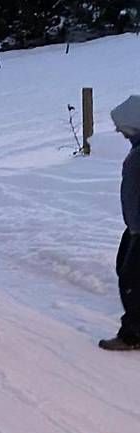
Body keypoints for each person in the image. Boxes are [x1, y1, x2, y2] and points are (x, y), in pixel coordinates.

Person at [100, 95, 140, 350]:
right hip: (135, 226)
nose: (118, 130)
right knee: (125, 270)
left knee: (132, 280)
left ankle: (133, 335)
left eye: (121, 125)